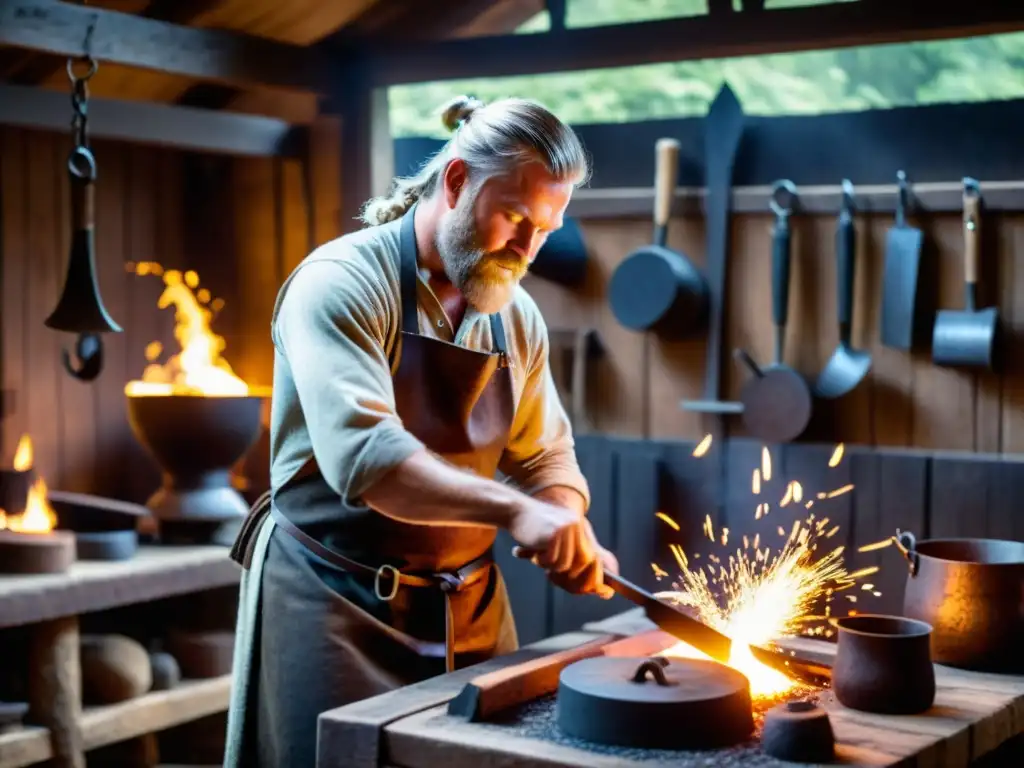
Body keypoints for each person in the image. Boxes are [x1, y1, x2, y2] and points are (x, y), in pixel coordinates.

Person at [224, 94, 619, 768]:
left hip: (467, 606)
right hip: (332, 599)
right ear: (458, 181)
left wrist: (562, 518)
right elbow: (367, 459)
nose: (528, 249)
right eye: (515, 218)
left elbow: (547, 455)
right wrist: (517, 513)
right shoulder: (340, 282)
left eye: (546, 229)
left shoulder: (515, 316)